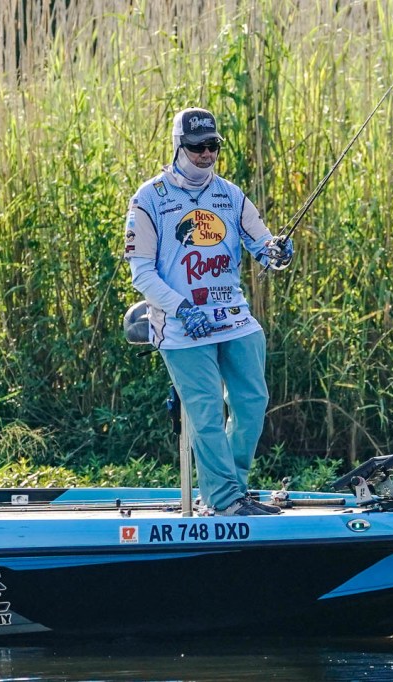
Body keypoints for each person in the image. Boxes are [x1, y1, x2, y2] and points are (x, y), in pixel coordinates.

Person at [123, 107, 293, 516]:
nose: (206, 154)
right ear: (178, 146)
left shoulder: (231, 195)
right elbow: (141, 273)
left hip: (234, 319)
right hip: (182, 327)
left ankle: (231, 487)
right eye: (197, 146)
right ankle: (225, 499)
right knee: (206, 413)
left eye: (213, 145)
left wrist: (278, 253)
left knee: (252, 404)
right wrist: (182, 308)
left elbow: (264, 247)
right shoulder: (149, 199)